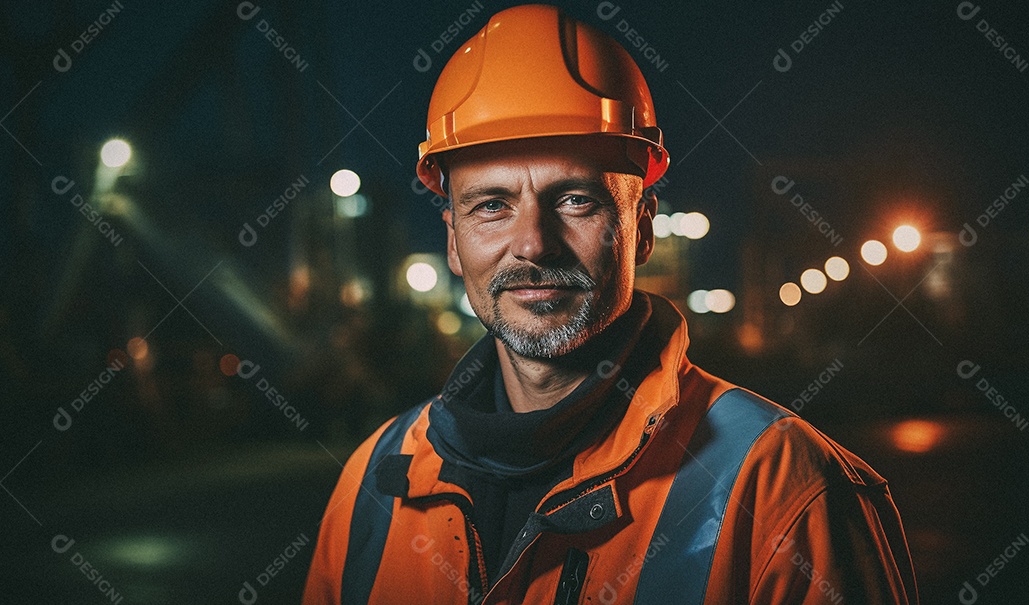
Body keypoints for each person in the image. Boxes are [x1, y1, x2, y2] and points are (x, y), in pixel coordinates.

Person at [303, 4, 918, 604]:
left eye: (575, 200)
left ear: (643, 229)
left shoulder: (783, 489)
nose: (532, 245)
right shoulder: (374, 484)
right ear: (454, 243)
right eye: (491, 205)